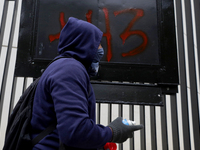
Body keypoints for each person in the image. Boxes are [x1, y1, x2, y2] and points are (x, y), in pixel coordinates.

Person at [30, 17, 143, 150]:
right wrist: (112, 132)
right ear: (83, 43)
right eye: (97, 43)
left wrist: (99, 142)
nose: (101, 49)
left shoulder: (61, 67)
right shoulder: (70, 70)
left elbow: (66, 128)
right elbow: (75, 133)